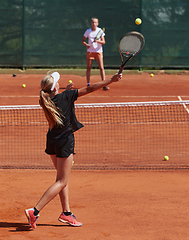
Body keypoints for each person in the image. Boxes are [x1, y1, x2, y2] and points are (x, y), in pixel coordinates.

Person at [25, 71, 122, 229]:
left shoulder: (44, 99)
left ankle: (66, 213)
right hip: (65, 142)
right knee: (62, 181)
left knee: (62, 179)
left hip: (52, 140)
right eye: (57, 82)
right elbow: (90, 89)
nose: (59, 82)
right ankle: (34, 211)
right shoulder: (67, 95)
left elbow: (59, 99)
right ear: (55, 88)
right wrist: (111, 80)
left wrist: (67, 92)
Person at [81, 17, 108, 90]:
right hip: (90, 52)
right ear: (91, 23)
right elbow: (83, 40)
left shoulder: (100, 31)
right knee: (89, 68)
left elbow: (103, 42)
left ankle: (104, 84)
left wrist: (97, 41)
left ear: (97, 23)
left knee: (101, 68)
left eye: (95, 22)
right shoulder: (88, 31)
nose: (94, 24)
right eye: (93, 22)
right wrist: (86, 45)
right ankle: (88, 84)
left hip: (98, 51)